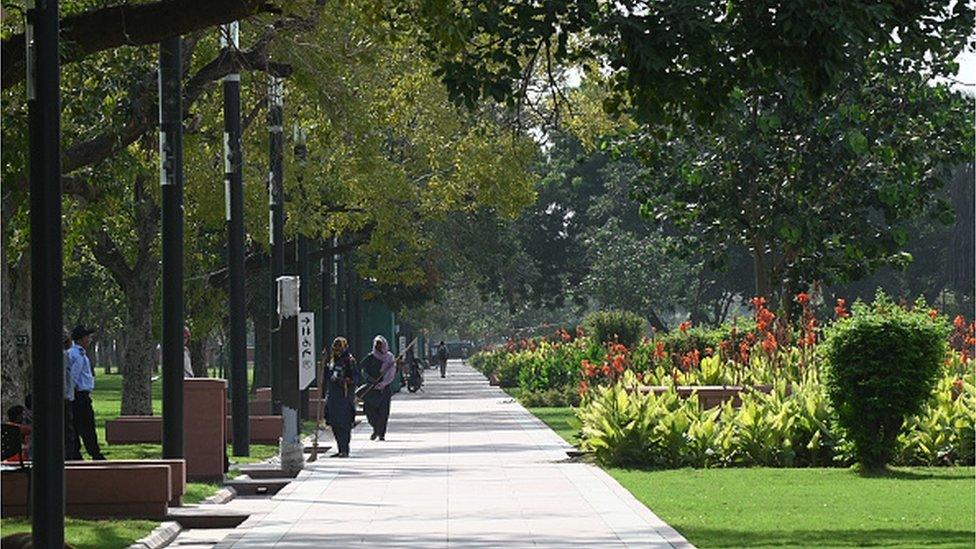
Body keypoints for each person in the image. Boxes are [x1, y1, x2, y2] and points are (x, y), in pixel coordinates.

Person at [69, 324, 106, 460]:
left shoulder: (75, 353)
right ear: (80, 339)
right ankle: (94, 453)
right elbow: (74, 375)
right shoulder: (78, 355)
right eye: (86, 337)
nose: (88, 339)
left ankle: (76, 453)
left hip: (77, 395)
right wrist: (71, 392)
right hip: (79, 395)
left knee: (76, 425)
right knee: (87, 425)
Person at [325, 337, 359, 458]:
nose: (337, 351)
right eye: (335, 348)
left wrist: (342, 380)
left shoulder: (349, 361)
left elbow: (354, 378)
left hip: (344, 397)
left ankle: (345, 449)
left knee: (344, 424)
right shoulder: (332, 360)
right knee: (334, 423)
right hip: (333, 396)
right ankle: (340, 449)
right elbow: (327, 376)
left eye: (339, 348)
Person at [360, 335, 396, 441]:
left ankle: (381, 433)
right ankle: (376, 428)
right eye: (377, 345)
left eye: (381, 345)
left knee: (383, 412)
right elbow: (363, 370)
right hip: (371, 388)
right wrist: (370, 379)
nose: (379, 347)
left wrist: (383, 383)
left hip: (384, 388)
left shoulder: (390, 358)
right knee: (369, 410)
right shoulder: (370, 357)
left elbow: (392, 372)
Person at [63, 326, 78, 460]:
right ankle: (69, 457)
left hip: (66, 397)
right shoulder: (63, 355)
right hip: (64, 399)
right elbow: (65, 377)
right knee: (68, 430)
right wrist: (67, 395)